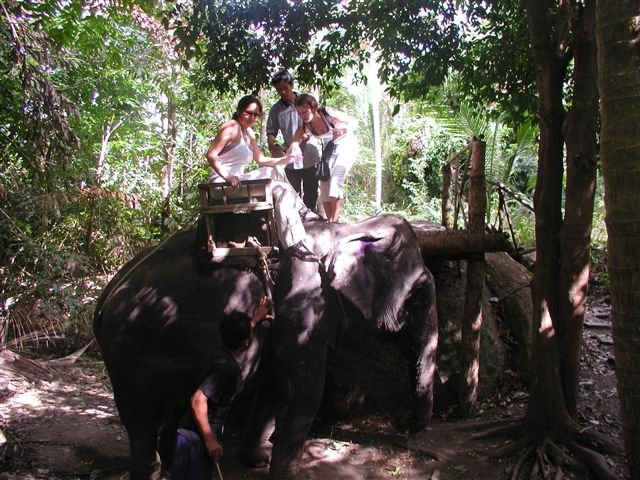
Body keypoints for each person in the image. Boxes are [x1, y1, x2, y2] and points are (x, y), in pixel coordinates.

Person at [171, 296, 272, 480]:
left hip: (193, 436)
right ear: (247, 341)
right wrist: (210, 440)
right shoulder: (227, 369)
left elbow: (239, 337)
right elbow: (197, 400)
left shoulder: (221, 353)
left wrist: (255, 319)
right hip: (195, 441)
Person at [206, 95, 317, 261]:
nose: (252, 117)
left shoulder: (249, 133)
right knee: (283, 189)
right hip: (222, 185)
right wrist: (228, 176)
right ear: (239, 111)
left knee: (276, 170)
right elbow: (211, 154)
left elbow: (261, 160)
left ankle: (301, 210)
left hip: (239, 181)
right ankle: (293, 243)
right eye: (248, 113)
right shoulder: (231, 127)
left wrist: (286, 159)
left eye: (256, 114)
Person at [289, 93, 358, 223]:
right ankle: (329, 220)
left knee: (336, 180)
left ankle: (334, 222)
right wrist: (291, 152)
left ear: (313, 108)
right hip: (331, 149)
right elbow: (294, 143)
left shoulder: (327, 112)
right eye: (299, 113)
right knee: (324, 182)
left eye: (305, 112)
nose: (302, 116)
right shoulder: (306, 126)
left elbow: (354, 122)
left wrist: (342, 130)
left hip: (347, 145)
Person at [266, 70, 321, 212]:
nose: (283, 92)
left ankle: (312, 220)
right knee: (291, 195)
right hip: (290, 161)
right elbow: (271, 132)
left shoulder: (305, 102)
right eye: (279, 90)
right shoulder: (276, 110)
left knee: (311, 195)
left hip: (310, 157)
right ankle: (296, 221)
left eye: (285, 88)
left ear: (291, 85)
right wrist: (273, 145)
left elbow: (317, 122)